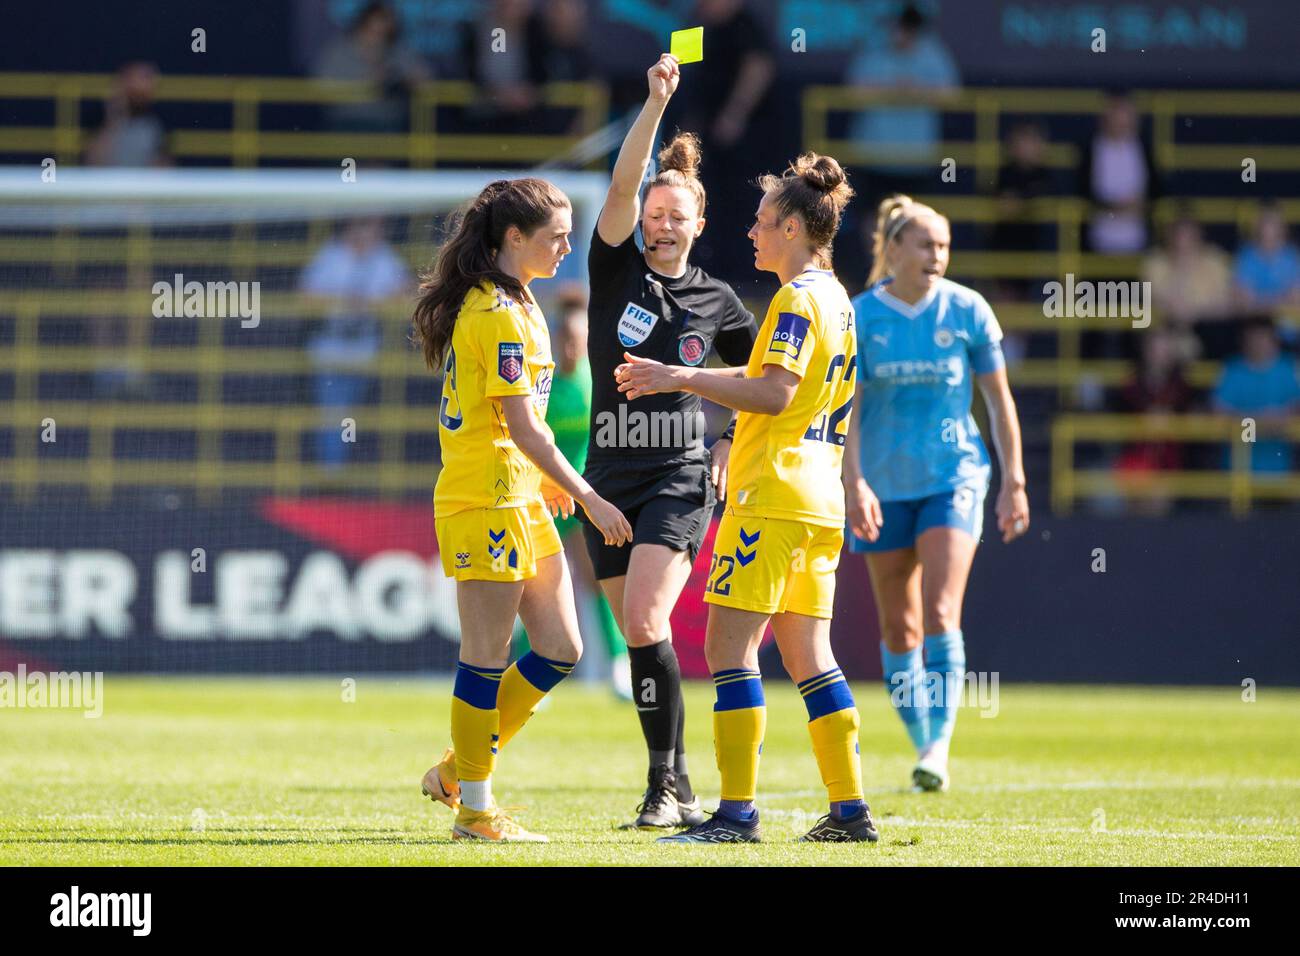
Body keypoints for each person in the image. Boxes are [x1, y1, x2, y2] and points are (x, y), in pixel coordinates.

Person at [618, 153, 880, 844]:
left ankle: (735, 815)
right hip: (819, 499)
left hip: (773, 497)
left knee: (728, 649)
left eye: (763, 223)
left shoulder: (796, 300)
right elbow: (770, 377)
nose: (752, 234)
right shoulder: (838, 299)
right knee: (810, 657)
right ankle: (850, 810)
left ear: (794, 226)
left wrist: (680, 374)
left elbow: (774, 391)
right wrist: (686, 372)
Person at [412, 178, 632, 842]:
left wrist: (546, 486)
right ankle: (475, 810)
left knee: (561, 647)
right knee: (484, 654)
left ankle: (457, 770)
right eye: (555, 234)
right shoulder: (499, 313)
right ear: (514, 238)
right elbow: (525, 428)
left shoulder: (519, 300)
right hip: (484, 497)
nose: (568, 243)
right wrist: (588, 492)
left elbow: (522, 423)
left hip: (520, 496)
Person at [584, 54, 758, 830]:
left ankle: (663, 787)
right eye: (653, 211)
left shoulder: (718, 301)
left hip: (680, 478)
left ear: (697, 224)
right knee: (636, 637)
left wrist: (725, 447)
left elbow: (765, 383)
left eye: (674, 214)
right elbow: (619, 185)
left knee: (650, 624)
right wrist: (654, 104)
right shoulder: (614, 269)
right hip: (606, 477)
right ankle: (679, 782)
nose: (658, 222)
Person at [846, 195, 1029, 793]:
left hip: (955, 476)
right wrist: (854, 483)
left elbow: (999, 404)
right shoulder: (861, 317)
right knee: (899, 631)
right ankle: (921, 737)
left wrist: (1013, 482)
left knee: (941, 611)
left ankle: (938, 746)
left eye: (945, 246)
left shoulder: (968, 310)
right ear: (894, 249)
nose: (938, 256)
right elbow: (845, 410)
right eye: (926, 244)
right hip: (882, 486)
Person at [513, 289, 632, 699]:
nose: (570, 347)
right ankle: (528, 671)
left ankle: (619, 666)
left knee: (598, 578)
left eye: (577, 340)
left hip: (583, 495)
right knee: (535, 584)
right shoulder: (539, 381)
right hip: (541, 494)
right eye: (565, 339)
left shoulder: (595, 379)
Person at [299, 217, 410, 468]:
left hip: (366, 351)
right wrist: (342, 302)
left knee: (356, 416)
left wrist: (378, 303)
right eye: (362, 225)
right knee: (332, 413)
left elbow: (408, 295)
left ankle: (353, 473)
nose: (367, 232)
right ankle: (332, 475)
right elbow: (305, 295)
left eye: (372, 227)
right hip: (330, 350)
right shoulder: (332, 256)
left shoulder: (385, 259)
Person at [313, 1, 430, 133]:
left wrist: (402, 80)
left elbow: (424, 79)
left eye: (384, 31)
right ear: (361, 26)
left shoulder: (399, 51)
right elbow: (321, 88)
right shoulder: (338, 52)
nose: (377, 36)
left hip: (388, 127)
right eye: (372, 29)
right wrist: (365, 83)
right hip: (346, 126)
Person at [1213, 317, 1300, 476]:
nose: (1259, 343)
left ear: (1274, 339)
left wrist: (1277, 419)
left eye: (1263, 337)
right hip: (1237, 475)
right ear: (1244, 340)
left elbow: (1296, 408)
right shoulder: (1232, 370)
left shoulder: (1289, 369)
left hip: (1282, 474)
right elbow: (1219, 412)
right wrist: (1260, 422)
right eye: (1253, 337)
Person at [1232, 203, 1300, 313]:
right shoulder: (1245, 256)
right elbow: (1244, 299)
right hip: (1255, 318)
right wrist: (1281, 299)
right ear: (1258, 226)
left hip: (1287, 320)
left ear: (1283, 227)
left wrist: (1261, 300)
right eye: (1266, 222)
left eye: (1274, 223)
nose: (1270, 228)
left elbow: (1296, 297)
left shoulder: (1293, 256)